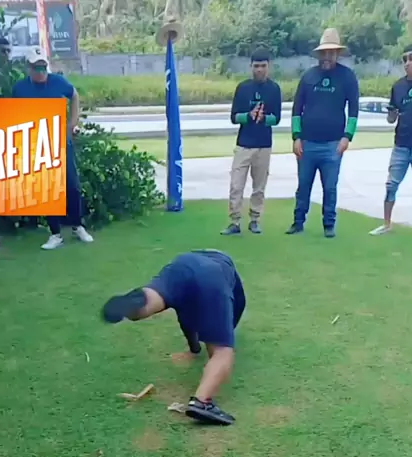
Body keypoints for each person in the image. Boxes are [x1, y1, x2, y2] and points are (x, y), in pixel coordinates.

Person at [102, 250, 246, 426]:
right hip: (212, 275)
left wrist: (194, 348)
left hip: (181, 265)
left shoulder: (195, 259)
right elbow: (233, 314)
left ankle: (136, 307)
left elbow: (184, 318)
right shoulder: (228, 276)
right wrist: (219, 335)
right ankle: (202, 402)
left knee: (159, 295)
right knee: (222, 351)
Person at [12, 46, 93, 250]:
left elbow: (74, 95)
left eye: (43, 67)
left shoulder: (58, 82)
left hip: (60, 139)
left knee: (72, 185)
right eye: (36, 68)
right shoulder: (20, 89)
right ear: (29, 68)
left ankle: (77, 226)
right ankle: (55, 233)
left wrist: (72, 124)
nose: (41, 72)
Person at [287, 28, 359, 238]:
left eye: (331, 53)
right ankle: (298, 222)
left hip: (333, 144)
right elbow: (297, 108)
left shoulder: (347, 77)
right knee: (303, 186)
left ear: (337, 54)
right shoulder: (309, 76)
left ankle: (329, 224)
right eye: (324, 53)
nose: (327, 57)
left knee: (330, 188)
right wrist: (296, 137)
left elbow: (354, 110)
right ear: (319, 54)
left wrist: (347, 136)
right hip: (307, 144)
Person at [222, 48, 282, 236]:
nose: (259, 70)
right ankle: (234, 221)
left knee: (259, 187)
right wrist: (248, 116)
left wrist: (263, 118)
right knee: (236, 185)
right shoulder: (243, 88)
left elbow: (277, 118)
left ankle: (255, 220)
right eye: (256, 66)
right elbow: (234, 117)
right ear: (251, 67)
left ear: (268, 67)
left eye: (263, 66)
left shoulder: (274, 89)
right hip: (244, 144)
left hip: (264, 145)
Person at [370, 44, 412, 239]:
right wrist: (391, 114)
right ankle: (386, 224)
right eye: (404, 60)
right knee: (391, 185)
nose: (407, 63)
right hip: (401, 144)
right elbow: (391, 119)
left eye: (411, 58)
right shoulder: (398, 87)